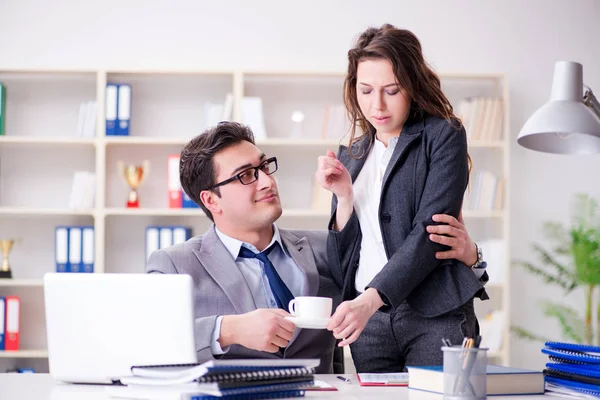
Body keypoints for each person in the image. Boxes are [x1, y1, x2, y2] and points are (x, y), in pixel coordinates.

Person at [148, 121, 484, 374]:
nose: (267, 180)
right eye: (246, 175)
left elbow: (409, 266)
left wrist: (473, 259)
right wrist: (229, 329)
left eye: (264, 166)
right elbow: (148, 342)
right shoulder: (175, 264)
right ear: (211, 199)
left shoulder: (324, 247)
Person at [315, 24, 488, 373]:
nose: (376, 105)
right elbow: (341, 261)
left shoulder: (443, 136)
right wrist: (345, 199)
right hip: (371, 323)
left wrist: (368, 300)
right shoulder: (351, 153)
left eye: (391, 90)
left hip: (433, 314)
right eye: (365, 90)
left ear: (412, 85)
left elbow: (430, 232)